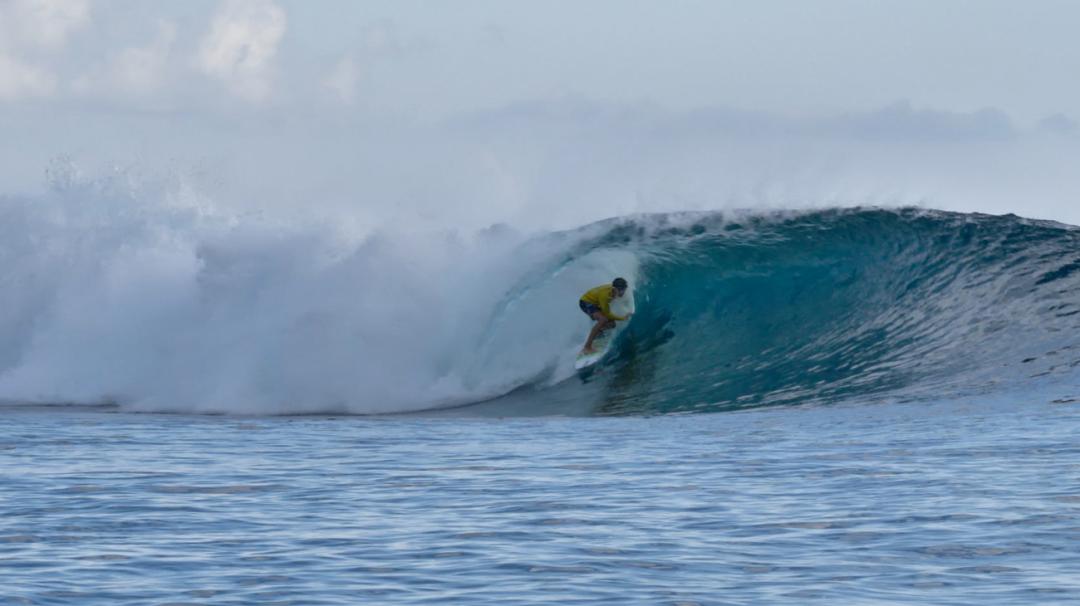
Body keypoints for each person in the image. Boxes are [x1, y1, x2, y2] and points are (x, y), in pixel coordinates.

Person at [579, 277, 632, 354]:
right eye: (620, 290)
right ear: (614, 289)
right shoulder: (605, 295)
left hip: (597, 303)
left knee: (612, 324)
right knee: (603, 320)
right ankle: (587, 347)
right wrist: (623, 318)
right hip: (586, 302)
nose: (622, 292)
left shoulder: (614, 291)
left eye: (623, 290)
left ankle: (598, 332)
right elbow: (608, 314)